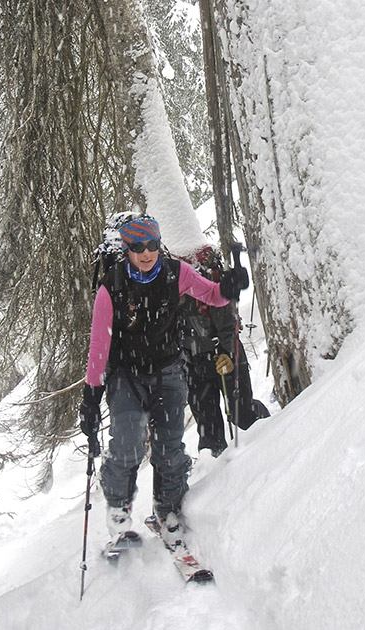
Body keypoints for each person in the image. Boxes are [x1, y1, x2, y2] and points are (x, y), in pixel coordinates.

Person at [78, 215, 247, 546]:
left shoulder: (176, 272)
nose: (146, 253)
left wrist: (229, 288)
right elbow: (99, 346)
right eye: (138, 247)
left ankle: (168, 510)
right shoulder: (111, 286)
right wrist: (91, 397)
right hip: (126, 376)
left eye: (152, 245)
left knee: (170, 448)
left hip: (169, 371)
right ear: (127, 249)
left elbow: (212, 295)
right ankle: (119, 513)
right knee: (126, 443)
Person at [180, 245, 270, 457]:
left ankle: (270, 432)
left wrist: (227, 353)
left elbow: (226, 319)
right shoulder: (164, 282)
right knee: (210, 434)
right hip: (194, 363)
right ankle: (218, 479)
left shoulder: (203, 277)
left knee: (243, 416)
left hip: (223, 354)